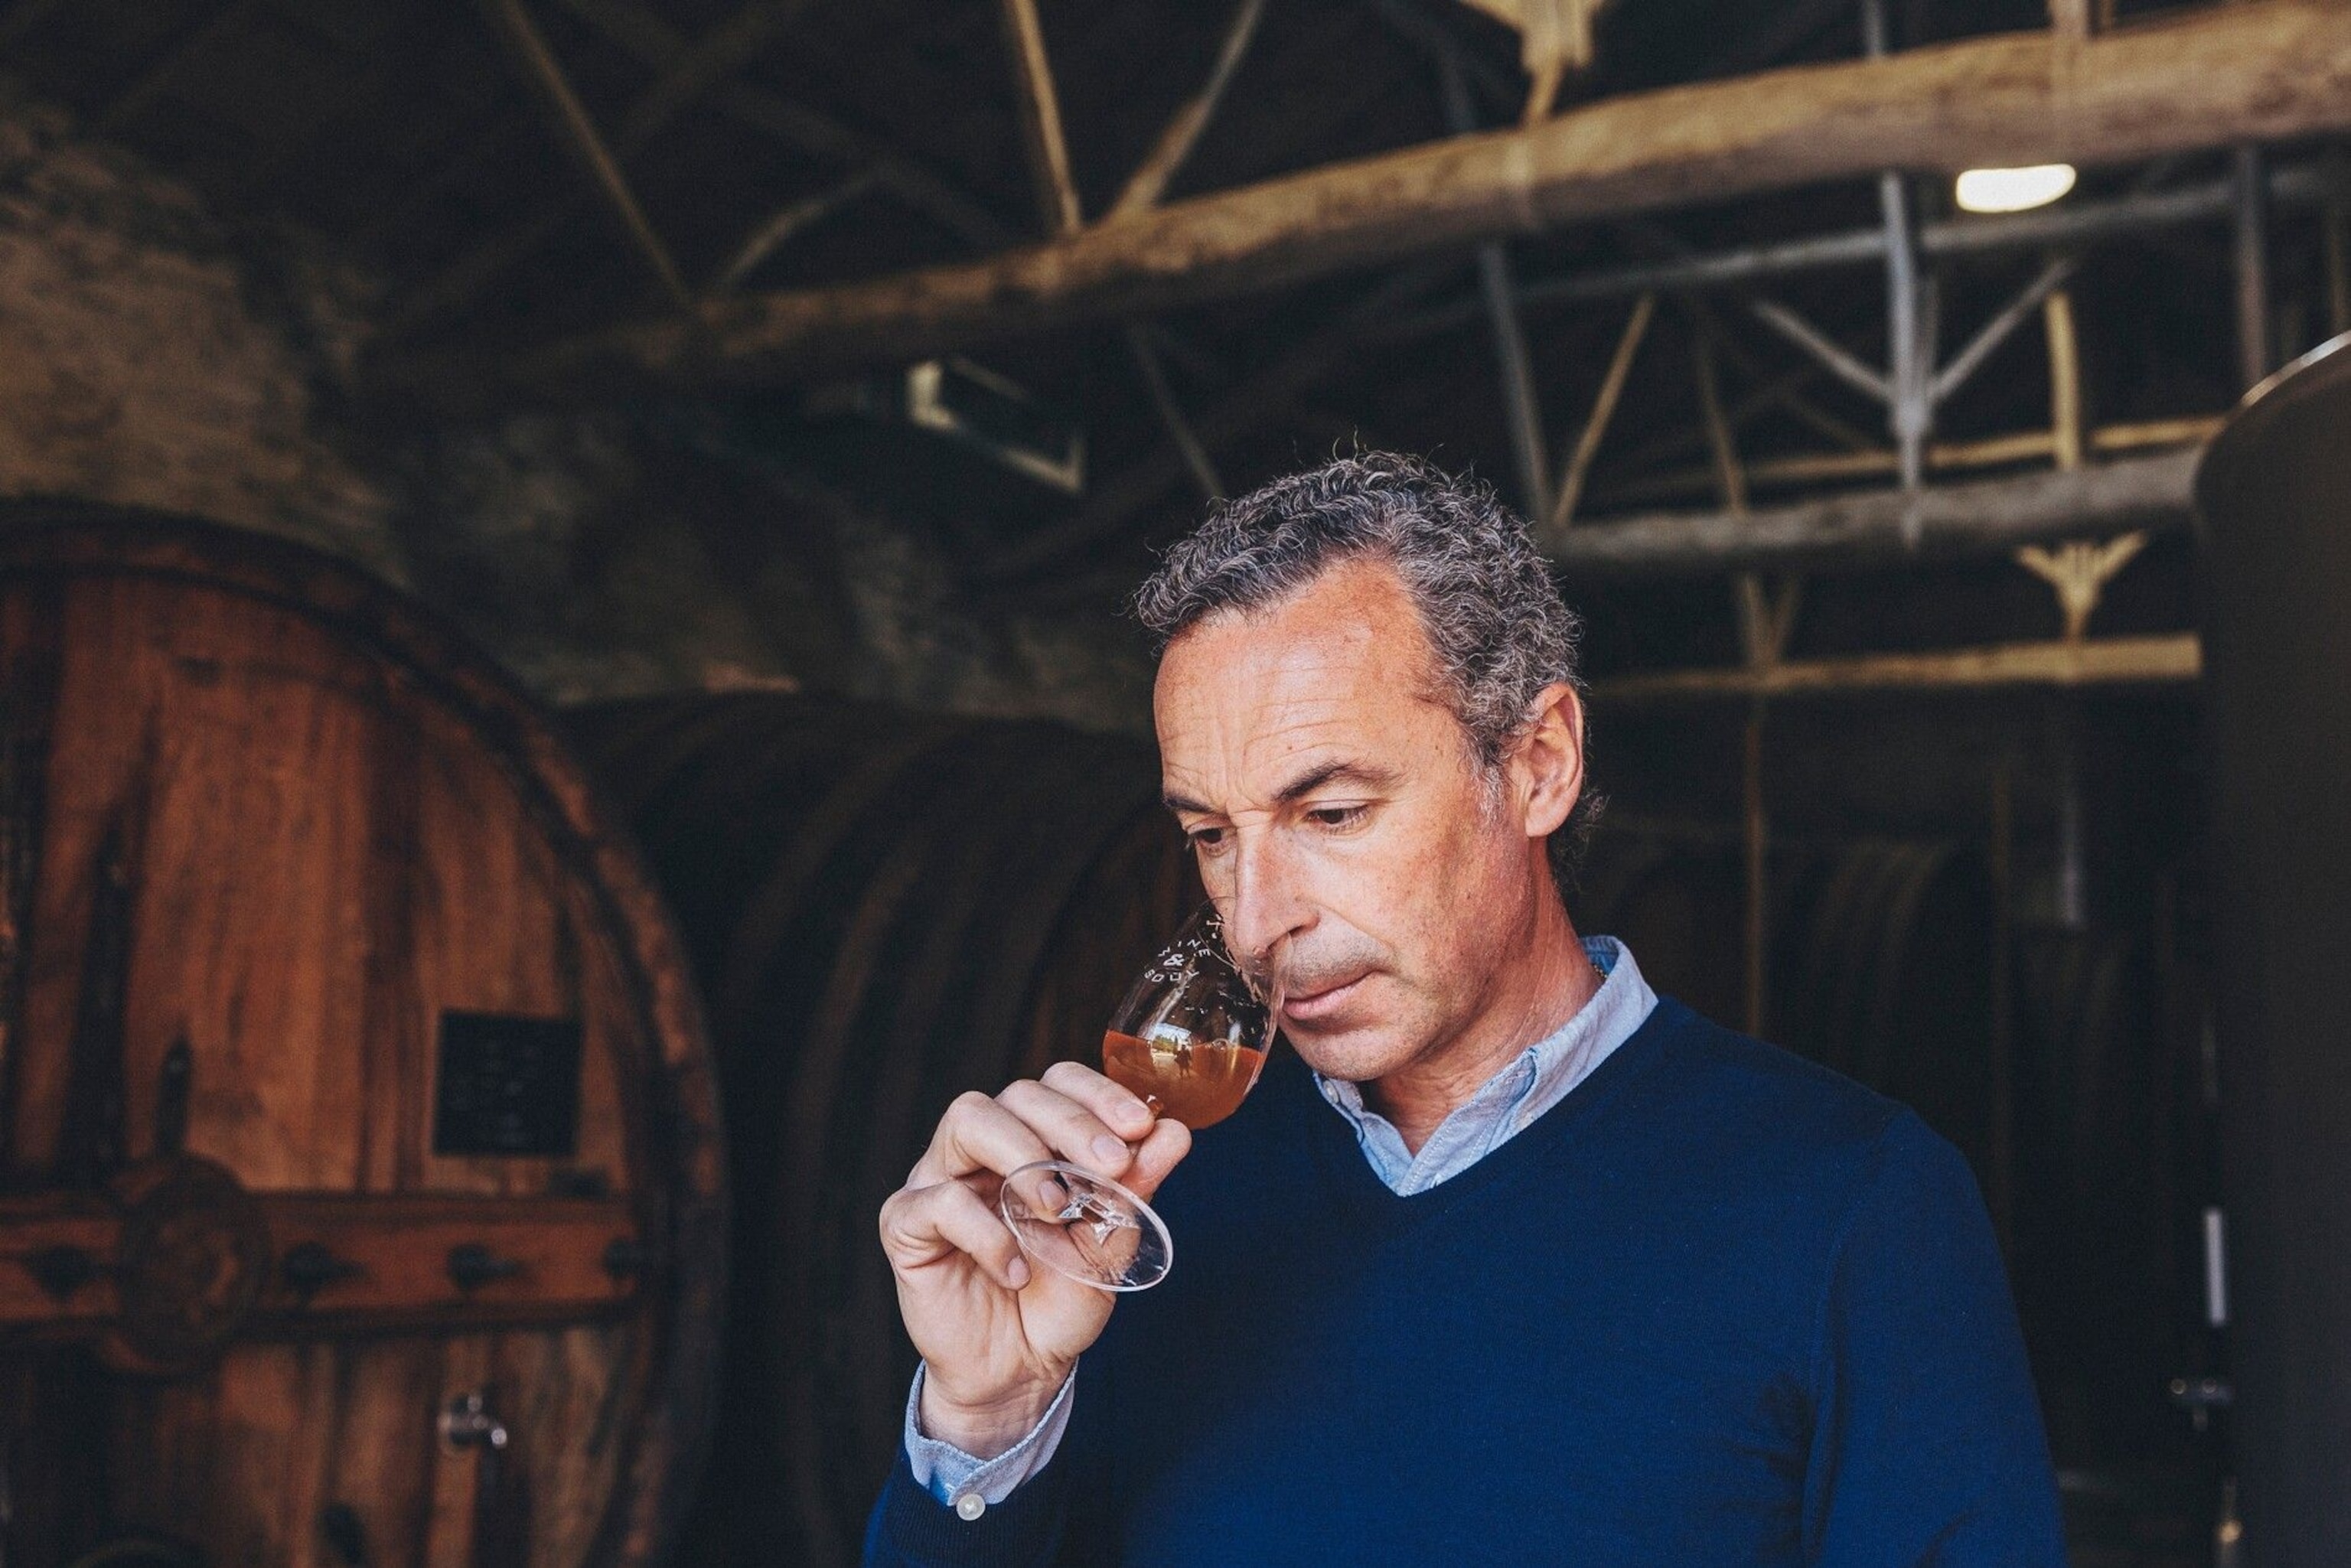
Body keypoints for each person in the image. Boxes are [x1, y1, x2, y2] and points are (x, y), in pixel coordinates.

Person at [866, 453, 2065, 1566]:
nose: (1255, 916)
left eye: (1331, 812)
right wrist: (990, 1414)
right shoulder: (1145, 1220)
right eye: (1211, 836)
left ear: (1539, 762)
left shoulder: (1858, 1204)